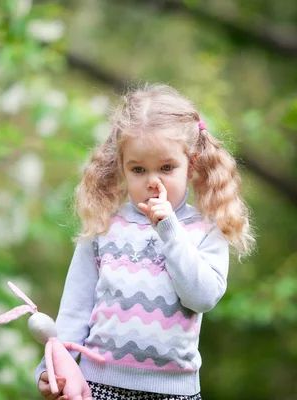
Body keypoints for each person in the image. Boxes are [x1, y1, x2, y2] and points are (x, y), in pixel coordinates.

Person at [36, 84, 254, 400]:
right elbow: (75, 309)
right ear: (122, 168)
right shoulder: (105, 226)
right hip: (100, 386)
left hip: (173, 393)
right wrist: (51, 369)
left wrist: (169, 229)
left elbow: (202, 297)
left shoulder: (205, 229)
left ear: (191, 164)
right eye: (138, 169)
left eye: (167, 167)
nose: (153, 180)